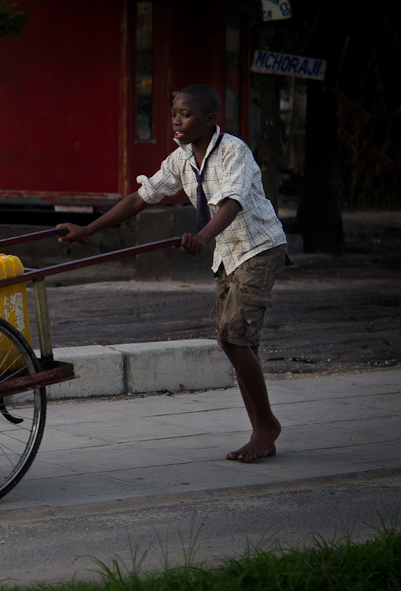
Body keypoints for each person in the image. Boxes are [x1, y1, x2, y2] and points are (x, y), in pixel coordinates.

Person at [57, 84, 289, 463]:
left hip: (259, 248)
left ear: (211, 120)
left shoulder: (234, 151)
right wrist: (87, 229)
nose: (177, 122)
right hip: (227, 254)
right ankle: (262, 429)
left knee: (234, 338)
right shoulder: (182, 158)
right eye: (174, 114)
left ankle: (265, 428)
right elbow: (140, 198)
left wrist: (200, 236)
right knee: (240, 340)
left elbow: (231, 204)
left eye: (186, 115)